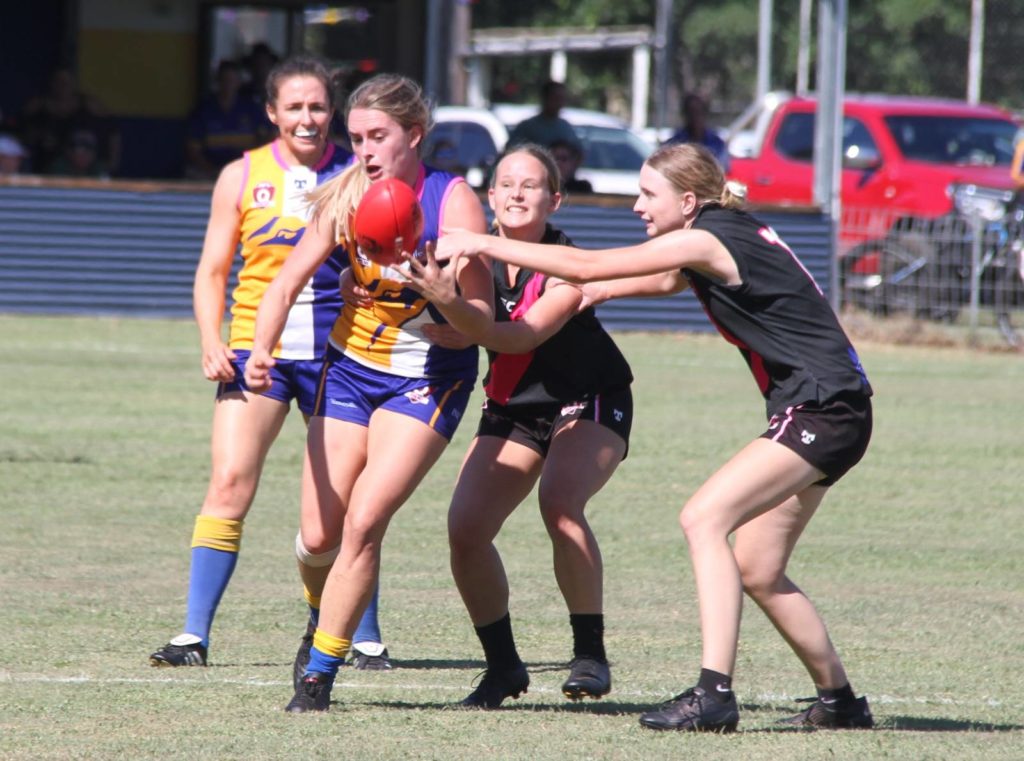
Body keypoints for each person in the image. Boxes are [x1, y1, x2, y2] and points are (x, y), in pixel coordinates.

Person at [436, 142, 875, 733]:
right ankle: (841, 702)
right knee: (759, 566)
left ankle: (713, 694)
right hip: (833, 407)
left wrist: (479, 241)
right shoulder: (719, 235)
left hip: (823, 408)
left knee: (703, 519)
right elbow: (667, 278)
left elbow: (592, 266)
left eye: (648, 194)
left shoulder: (706, 235)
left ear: (687, 201)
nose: (638, 205)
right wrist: (607, 293)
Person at [242, 73, 493, 713]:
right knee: (318, 537)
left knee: (363, 521)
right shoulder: (345, 194)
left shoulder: (453, 201)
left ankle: (317, 678)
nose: (364, 151)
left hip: (427, 378)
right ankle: (317, 615)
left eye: (377, 137)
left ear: (414, 134)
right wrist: (262, 350)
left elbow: (480, 323)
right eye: (354, 138)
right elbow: (286, 280)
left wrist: (442, 298)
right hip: (350, 370)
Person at [149, 55, 389, 673]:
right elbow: (212, 272)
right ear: (271, 113)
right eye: (294, 108)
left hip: (343, 357)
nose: (307, 119)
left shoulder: (360, 172)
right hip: (258, 356)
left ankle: (359, 634)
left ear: (331, 112)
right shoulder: (241, 175)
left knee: (344, 507)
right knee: (228, 482)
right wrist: (211, 338)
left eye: (317, 107)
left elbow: (385, 260)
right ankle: (193, 636)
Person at [407, 145, 669, 709]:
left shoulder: (568, 262)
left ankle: (590, 656)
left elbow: (520, 336)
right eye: (506, 184)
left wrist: (461, 315)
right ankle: (503, 668)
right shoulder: (470, 261)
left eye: (531, 185)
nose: (517, 193)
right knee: (465, 529)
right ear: (491, 197)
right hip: (514, 406)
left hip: (588, 398)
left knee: (560, 501)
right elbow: (438, 308)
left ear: (555, 198)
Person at [20, 67, 120, 175]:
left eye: (66, 82)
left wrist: (113, 161)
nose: (62, 86)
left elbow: (113, 130)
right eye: (58, 81)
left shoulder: (88, 104)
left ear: (74, 84)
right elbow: (23, 134)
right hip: (49, 166)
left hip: (84, 165)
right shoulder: (39, 106)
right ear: (52, 84)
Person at [184, 59, 271, 180]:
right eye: (224, 80)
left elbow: (267, 140)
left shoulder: (251, 108)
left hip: (246, 169)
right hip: (209, 171)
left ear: (239, 82)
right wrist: (210, 170)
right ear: (217, 81)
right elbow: (193, 150)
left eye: (232, 80)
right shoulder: (203, 110)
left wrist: (252, 165)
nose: (228, 84)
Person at [507, 80, 582, 153]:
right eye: (556, 98)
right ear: (545, 98)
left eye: (562, 99)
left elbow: (578, 153)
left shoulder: (566, 128)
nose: (559, 103)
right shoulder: (528, 128)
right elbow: (511, 151)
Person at [666, 94, 730, 173]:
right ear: (684, 114)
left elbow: (723, 169)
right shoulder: (673, 144)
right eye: (690, 112)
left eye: (698, 111)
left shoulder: (717, 144)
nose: (695, 116)